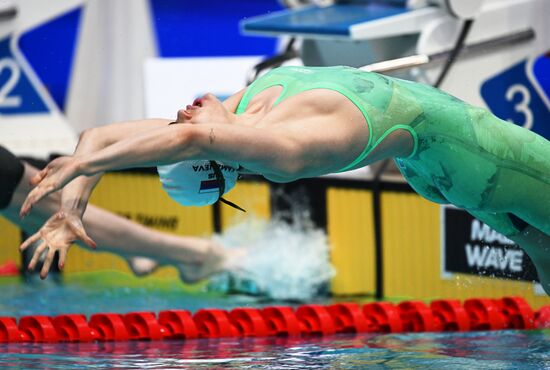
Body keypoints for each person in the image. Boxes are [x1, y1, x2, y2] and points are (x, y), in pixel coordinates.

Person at [18, 65, 550, 294]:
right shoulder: (284, 150)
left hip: (440, 165)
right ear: (214, 154)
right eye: (187, 129)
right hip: (479, 160)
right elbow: (186, 141)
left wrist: (71, 210)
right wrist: (87, 169)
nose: (180, 116)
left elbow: (96, 136)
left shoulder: (235, 115)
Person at [0, 145, 240, 281]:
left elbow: (98, 140)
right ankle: (181, 252)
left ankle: (190, 252)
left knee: (35, 200)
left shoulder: (191, 133)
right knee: (34, 203)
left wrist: (71, 209)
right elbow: (96, 139)